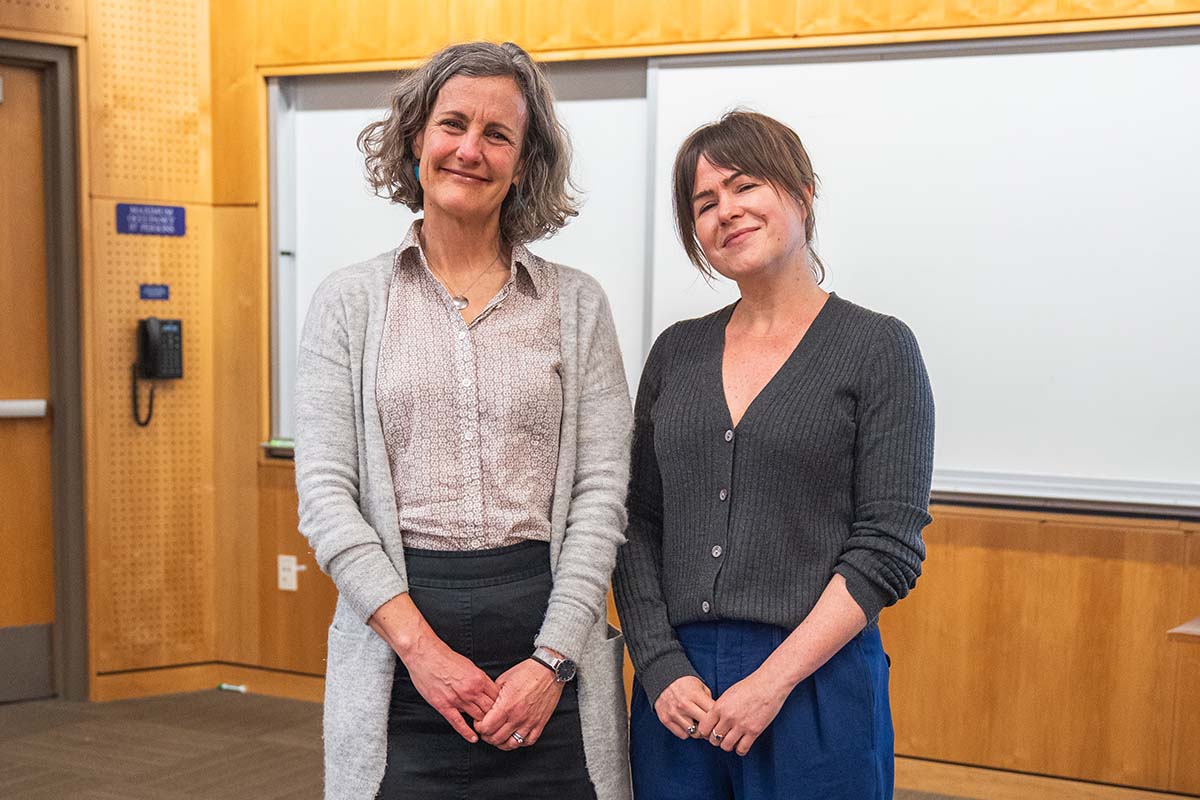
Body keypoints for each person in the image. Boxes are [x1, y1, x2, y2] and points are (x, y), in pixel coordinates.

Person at [294, 41, 633, 800]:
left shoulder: (576, 305)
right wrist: (421, 651)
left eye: (498, 135)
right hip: (398, 661)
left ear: (523, 162)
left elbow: (601, 495)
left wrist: (553, 662)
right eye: (452, 125)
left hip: (551, 658)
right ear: (417, 138)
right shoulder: (348, 302)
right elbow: (324, 494)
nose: (469, 150)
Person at [614, 110, 935, 800]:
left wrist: (772, 681)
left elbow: (888, 546)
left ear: (803, 193)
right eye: (704, 203)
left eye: (744, 185)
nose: (726, 211)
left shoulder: (878, 348)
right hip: (680, 688)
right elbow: (636, 522)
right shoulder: (676, 351)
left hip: (814, 682)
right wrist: (660, 663)